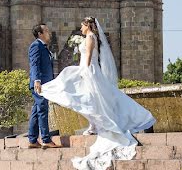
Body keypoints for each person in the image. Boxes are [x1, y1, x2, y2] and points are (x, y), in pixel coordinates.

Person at [41, 17, 155, 169]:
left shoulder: (90, 37)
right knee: (92, 99)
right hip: (87, 70)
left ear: (87, 25)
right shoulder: (88, 37)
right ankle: (93, 124)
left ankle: (106, 122)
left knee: (94, 98)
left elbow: (87, 56)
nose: (80, 28)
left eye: (82, 25)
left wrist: (84, 70)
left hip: (90, 71)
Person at [28, 23, 59, 149]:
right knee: (43, 110)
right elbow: (34, 64)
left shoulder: (44, 47)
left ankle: (32, 140)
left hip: (44, 84)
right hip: (39, 84)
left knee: (36, 111)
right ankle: (46, 139)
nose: (49, 33)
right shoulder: (36, 46)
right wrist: (37, 81)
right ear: (40, 34)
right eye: (46, 31)